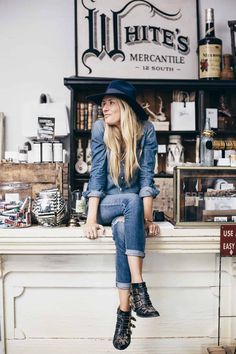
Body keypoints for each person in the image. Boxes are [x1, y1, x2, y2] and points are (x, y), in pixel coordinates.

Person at [83, 80, 160, 351]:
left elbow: (147, 177)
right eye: (102, 103)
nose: (103, 107)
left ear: (125, 106)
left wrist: (146, 219)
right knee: (128, 200)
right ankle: (140, 286)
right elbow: (97, 175)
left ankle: (124, 314)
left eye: (109, 102)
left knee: (122, 230)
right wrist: (91, 219)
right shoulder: (100, 129)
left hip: (131, 210)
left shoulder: (146, 130)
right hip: (106, 205)